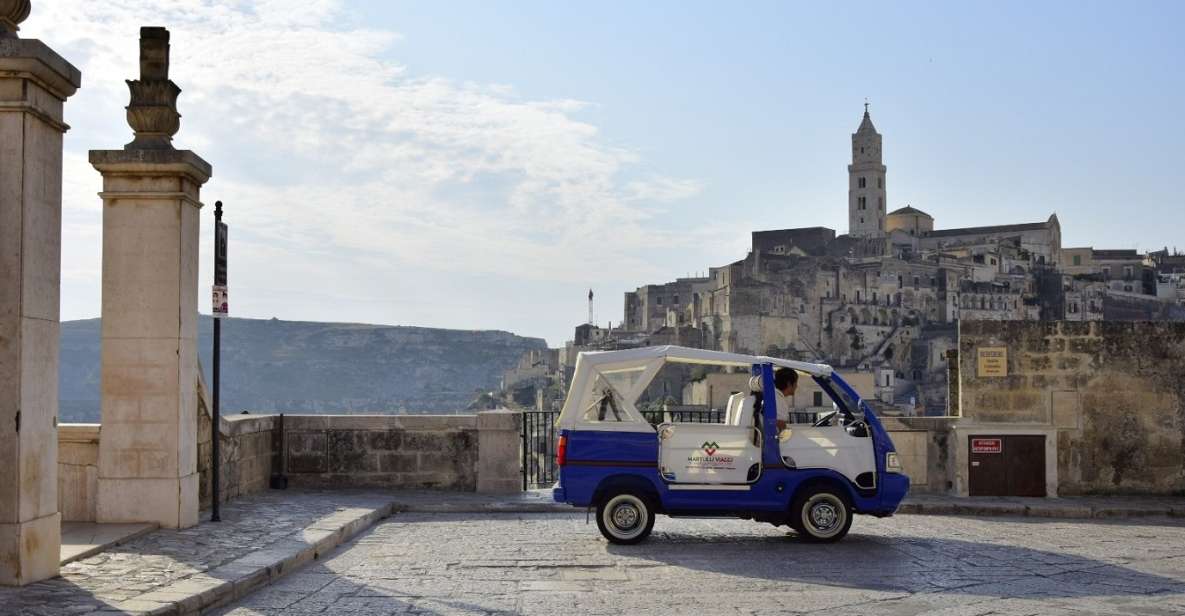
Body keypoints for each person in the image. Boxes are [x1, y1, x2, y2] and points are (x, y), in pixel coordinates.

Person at [773, 367, 798, 431]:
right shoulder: (779, 400)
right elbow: (780, 426)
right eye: (795, 383)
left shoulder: (774, 395)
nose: (796, 386)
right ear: (789, 384)